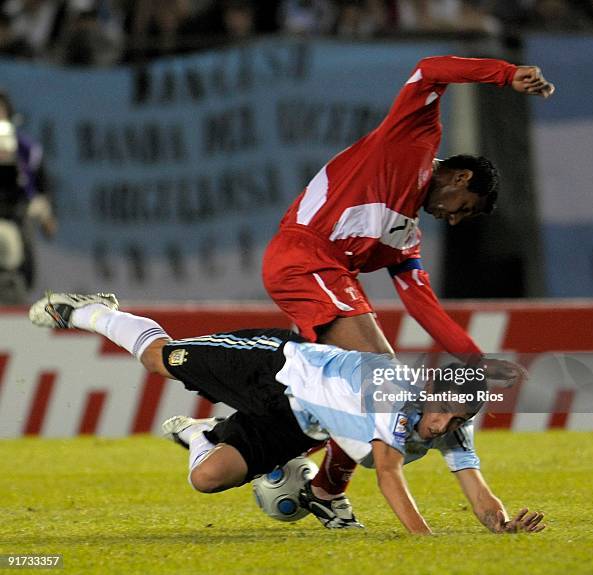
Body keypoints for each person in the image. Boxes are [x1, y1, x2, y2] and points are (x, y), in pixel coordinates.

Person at [262, 55, 553, 526]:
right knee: (382, 380)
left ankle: (315, 480)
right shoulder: (411, 141)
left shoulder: (406, 236)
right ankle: (305, 471)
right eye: (464, 208)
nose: (454, 219)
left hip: (326, 274)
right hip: (303, 259)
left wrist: (475, 359)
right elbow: (429, 68)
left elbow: (422, 305)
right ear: (460, 178)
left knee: (373, 387)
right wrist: (504, 74)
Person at [29, 291, 546, 535]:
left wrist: (500, 526)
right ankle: (93, 312)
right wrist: (424, 540)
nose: (441, 428)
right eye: (443, 415)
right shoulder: (396, 393)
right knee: (159, 359)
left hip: (298, 421)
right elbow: (388, 476)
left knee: (208, 479)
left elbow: (477, 490)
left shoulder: (453, 425)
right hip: (274, 368)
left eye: (456, 422)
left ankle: (202, 434)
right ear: (430, 392)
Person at [0, 91, 56, 303]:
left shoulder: (27, 150)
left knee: (15, 255)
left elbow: (40, 188)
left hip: (17, 215)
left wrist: (47, 216)